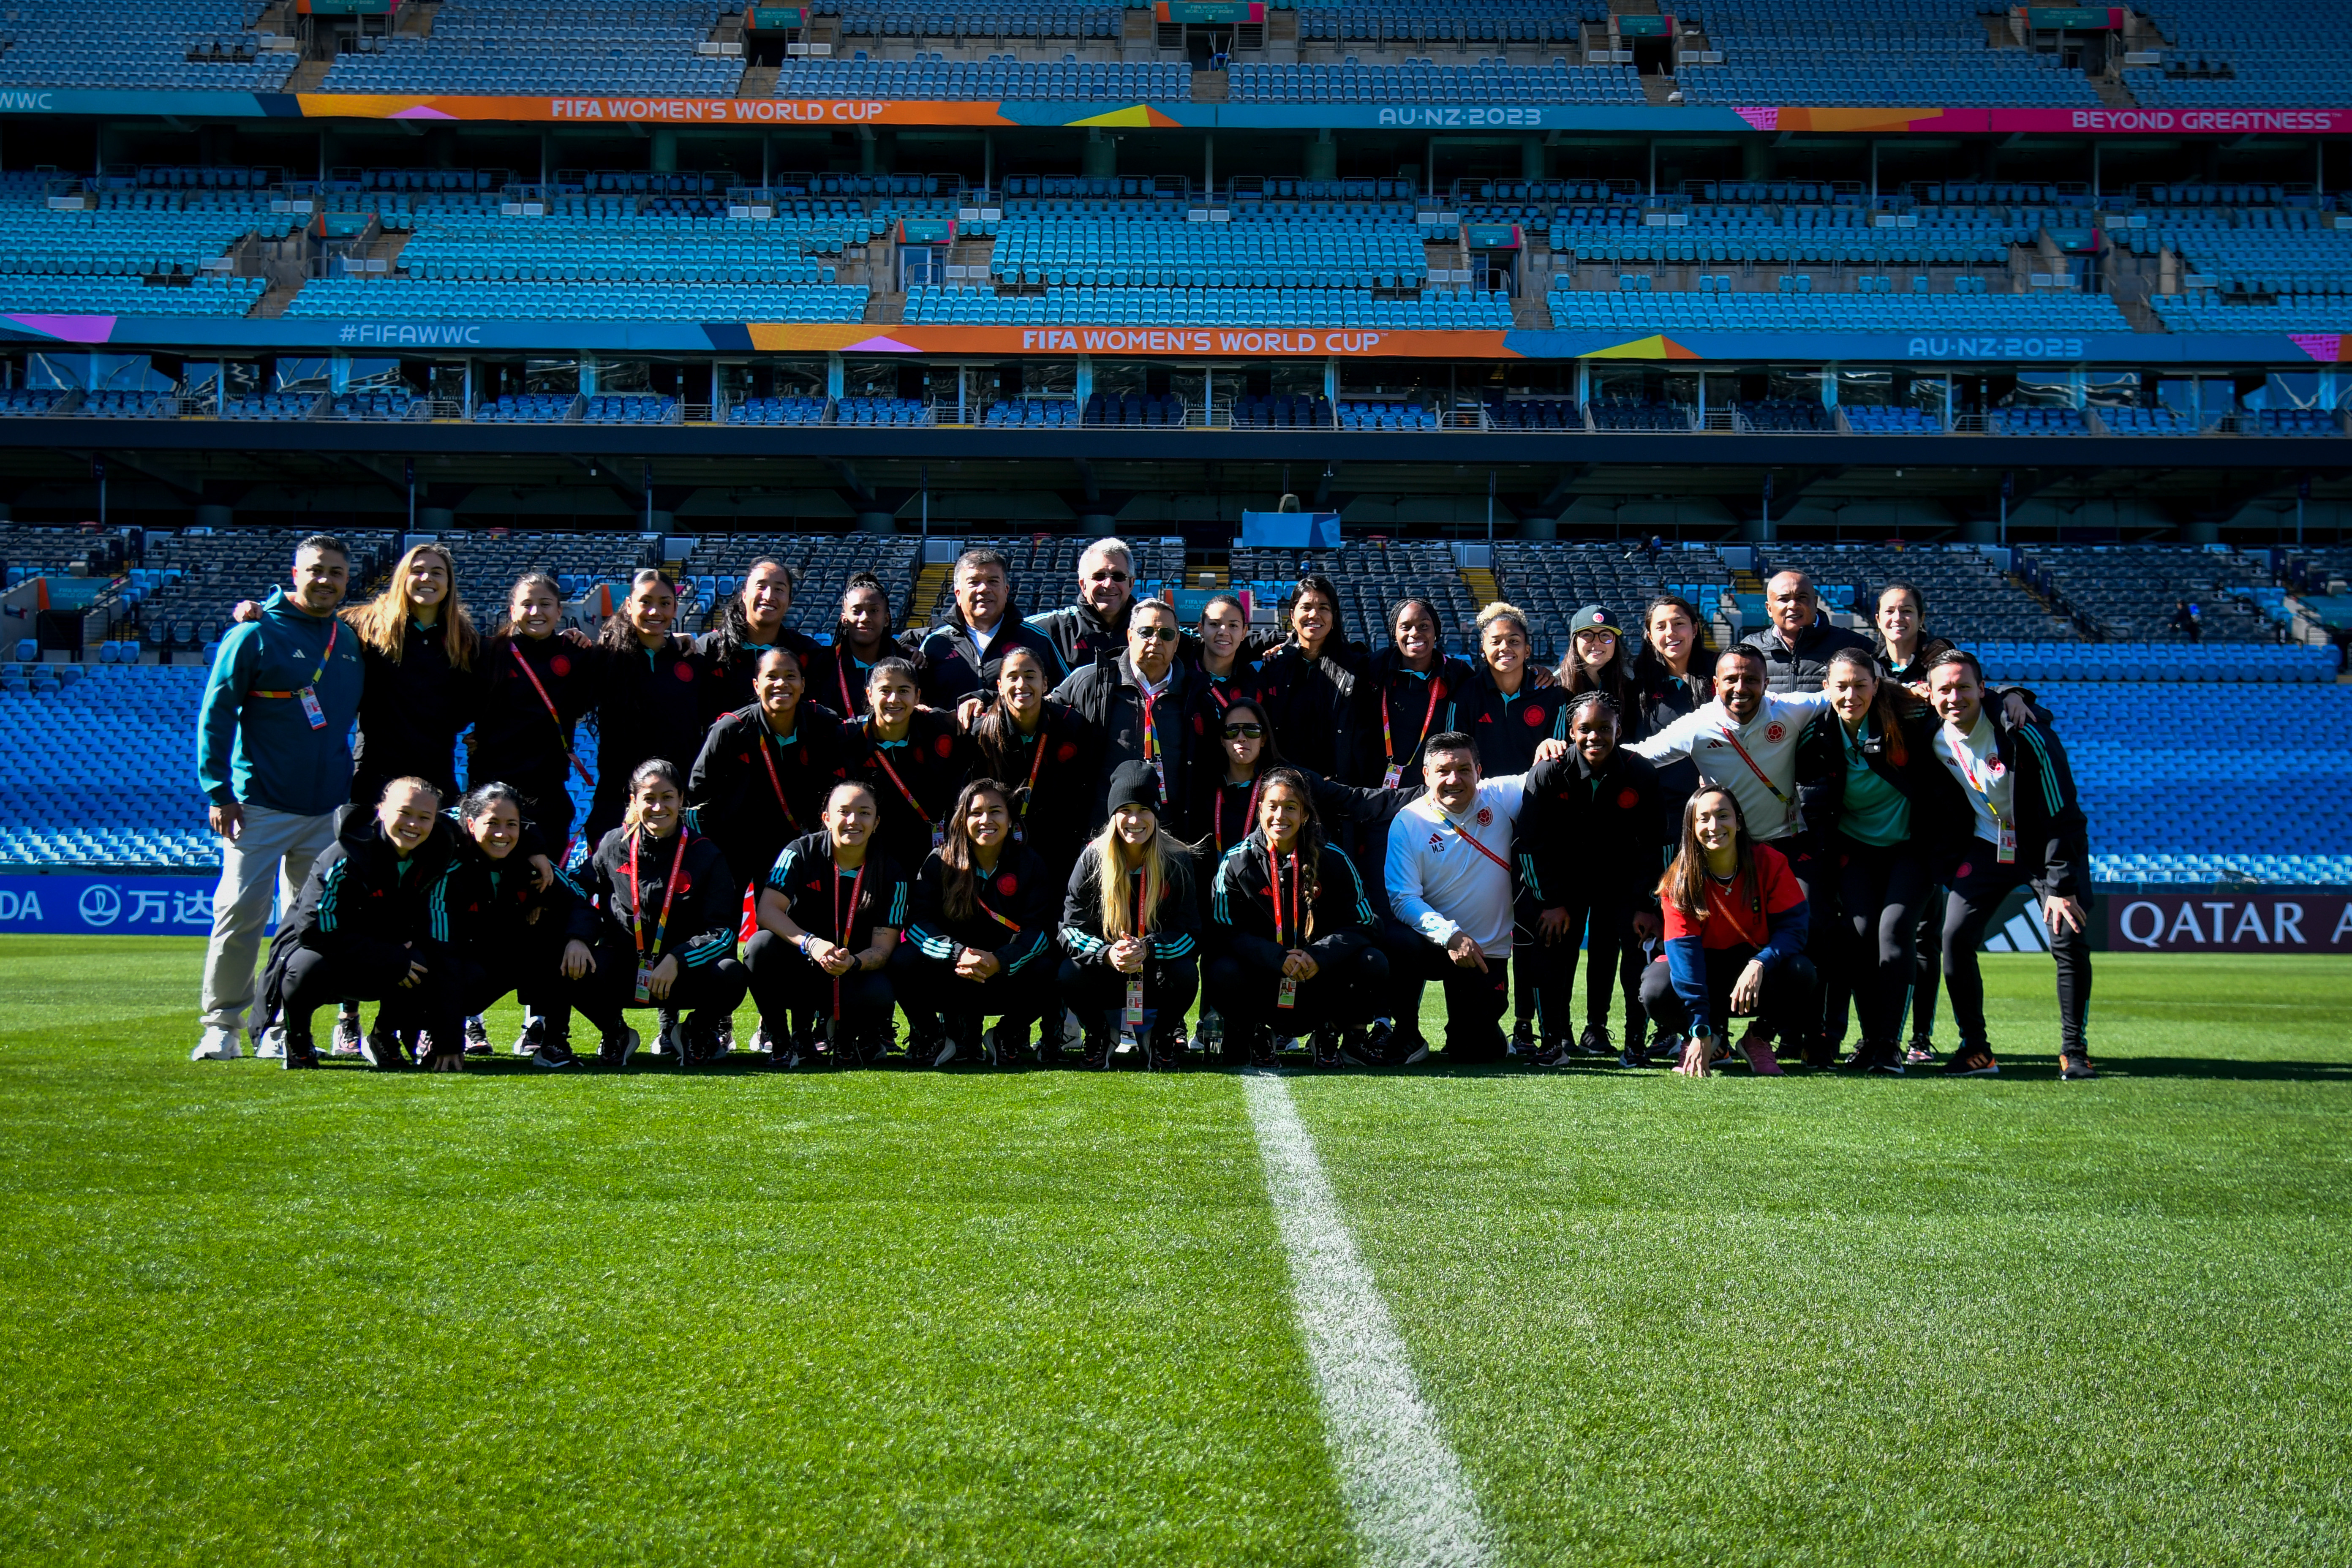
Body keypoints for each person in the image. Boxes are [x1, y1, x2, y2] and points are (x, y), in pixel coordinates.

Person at [193, 533, 367, 1062]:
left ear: (346, 581)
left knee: (306, 927)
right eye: (316, 570)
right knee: (239, 915)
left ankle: (281, 1026)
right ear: (295, 574)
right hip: (260, 805)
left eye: (336, 573)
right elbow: (216, 715)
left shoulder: (350, 639)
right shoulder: (254, 633)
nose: (325, 580)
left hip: (327, 811)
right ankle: (221, 1024)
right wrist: (219, 792)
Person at [1923, 650, 2095, 1080]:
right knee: (1955, 937)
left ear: (1984, 690)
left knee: (2068, 939)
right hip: (1988, 848)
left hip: (2046, 851)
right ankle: (1977, 1050)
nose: (1954, 697)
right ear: (1929, 695)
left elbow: (2064, 813)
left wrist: (2061, 884)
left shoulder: (2023, 731)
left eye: (1964, 687)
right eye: (1944, 689)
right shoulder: (1930, 736)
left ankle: (2074, 1051)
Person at [1794, 649, 1958, 1074]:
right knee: (1861, 934)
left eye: (1860, 685)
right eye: (1841, 686)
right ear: (1827, 688)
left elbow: (1960, 702)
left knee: (1895, 930)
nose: (1851, 694)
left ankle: (1889, 1045)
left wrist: (2013, 697)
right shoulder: (1817, 736)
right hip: (1856, 850)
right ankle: (1867, 1041)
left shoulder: (1907, 719)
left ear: (1876, 684)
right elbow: (1813, 807)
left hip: (1913, 848)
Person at [256, 777, 465, 1071]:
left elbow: (442, 942)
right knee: (304, 967)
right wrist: (388, 954)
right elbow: (312, 930)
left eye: (424, 817)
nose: (414, 825)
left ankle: (383, 1037)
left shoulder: (441, 854)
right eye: (404, 813)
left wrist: (450, 1039)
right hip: (325, 953)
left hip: (384, 952)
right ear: (382, 811)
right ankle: (298, 1041)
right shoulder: (346, 854)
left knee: (423, 961)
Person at [559, 759, 749, 1067]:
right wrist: (578, 938)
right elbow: (578, 892)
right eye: (649, 798)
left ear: (682, 800)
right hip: (625, 970)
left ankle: (693, 1032)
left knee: (731, 974)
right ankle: (615, 1032)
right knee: (569, 962)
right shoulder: (613, 845)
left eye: (667, 797)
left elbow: (723, 931)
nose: (658, 807)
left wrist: (678, 958)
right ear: (634, 801)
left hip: (680, 976)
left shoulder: (705, 853)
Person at [1518, 693, 1670, 1067]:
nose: (1595, 737)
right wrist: (1550, 901)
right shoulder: (1548, 773)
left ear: (1619, 730)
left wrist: (1647, 904)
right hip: (1563, 885)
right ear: (1570, 731)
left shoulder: (1641, 772)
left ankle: (1633, 1043)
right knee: (1554, 949)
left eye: (1605, 728)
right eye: (1585, 728)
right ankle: (1554, 1039)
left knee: (1632, 948)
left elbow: (1659, 847)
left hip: (1621, 882)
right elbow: (1529, 844)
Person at [1205, 767, 1390, 1069]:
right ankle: (1256, 1035)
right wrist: (1276, 958)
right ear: (1259, 811)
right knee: (1219, 968)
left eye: (1291, 808)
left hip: (1318, 982)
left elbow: (1366, 924)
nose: (1281, 816)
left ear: (1305, 814)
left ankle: (1331, 1031)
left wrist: (1319, 956)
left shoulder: (1334, 859)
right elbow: (1224, 932)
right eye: (1273, 807)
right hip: (1264, 982)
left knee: (1373, 962)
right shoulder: (1237, 862)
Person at [1383, 732, 1547, 1064]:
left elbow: (1558, 769)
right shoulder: (1408, 822)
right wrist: (1450, 935)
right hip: (1435, 945)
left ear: (1479, 771)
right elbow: (1403, 899)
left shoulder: (1501, 796)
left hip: (1486, 952)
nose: (1453, 779)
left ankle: (1479, 1031)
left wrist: (1557, 747)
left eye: (1463, 769)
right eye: (1443, 771)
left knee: (1475, 1051)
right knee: (1396, 941)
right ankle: (1407, 1033)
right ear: (1426, 774)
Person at [1640, 787, 1817, 1077]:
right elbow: (1685, 956)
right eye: (1704, 819)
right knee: (1656, 987)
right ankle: (1709, 1040)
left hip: (1754, 974)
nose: (1714, 827)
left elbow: (1794, 929)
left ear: (1738, 820)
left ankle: (1758, 1038)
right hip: (1704, 971)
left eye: (1723, 816)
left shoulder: (1770, 863)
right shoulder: (1678, 880)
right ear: (1691, 827)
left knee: (1802, 970)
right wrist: (1699, 1026)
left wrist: (1760, 962)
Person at [742, 781, 909, 1069]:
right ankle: (782, 1041)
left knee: (879, 991)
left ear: (877, 821)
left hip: (851, 971)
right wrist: (811, 943)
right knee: (760, 947)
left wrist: (853, 962)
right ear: (827, 819)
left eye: (864, 813)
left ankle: (853, 1037)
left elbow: (883, 949)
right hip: (802, 964)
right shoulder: (799, 852)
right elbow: (767, 911)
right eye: (843, 811)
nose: (853, 821)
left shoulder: (892, 871)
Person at [896, 779, 1060, 1066]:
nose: (986, 820)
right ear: (963, 819)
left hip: (1004, 978)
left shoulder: (1030, 863)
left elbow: (1042, 930)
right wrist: (957, 954)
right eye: (976, 813)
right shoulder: (939, 862)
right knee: (902, 959)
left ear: (1010, 819)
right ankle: (935, 1037)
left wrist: (1000, 960)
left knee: (1051, 965)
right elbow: (917, 924)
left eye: (996, 811)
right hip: (952, 975)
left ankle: (1006, 1035)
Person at [1057, 761, 1201, 1070]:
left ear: (1156, 814)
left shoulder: (1177, 859)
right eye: (1125, 810)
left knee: (1186, 973)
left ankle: (1161, 1036)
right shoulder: (1093, 857)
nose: (1135, 820)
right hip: (1107, 973)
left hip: (1154, 974)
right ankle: (1098, 1034)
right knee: (1069, 973)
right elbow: (1069, 929)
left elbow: (1190, 932)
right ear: (1113, 815)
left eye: (1144, 809)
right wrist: (1108, 954)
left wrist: (1148, 948)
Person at [688, 644, 853, 905]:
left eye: (790, 676)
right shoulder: (730, 730)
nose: (781, 684)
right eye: (772, 676)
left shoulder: (823, 724)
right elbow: (698, 790)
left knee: (786, 928)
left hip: (794, 844)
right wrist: (712, 843)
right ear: (756, 685)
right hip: (736, 846)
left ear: (802, 684)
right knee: (722, 921)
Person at [440, 780, 584, 1068]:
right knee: (432, 963)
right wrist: (448, 1036)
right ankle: (422, 1033)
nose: (502, 834)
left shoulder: (531, 863)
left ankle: (554, 1043)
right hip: (455, 964)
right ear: (470, 824)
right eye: (492, 823)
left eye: (512, 825)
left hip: (502, 961)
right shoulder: (449, 862)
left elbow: (578, 901)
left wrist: (577, 939)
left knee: (559, 941)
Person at [1051, 596, 1196, 838]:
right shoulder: (1092, 681)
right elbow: (1037, 711)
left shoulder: (1194, 693)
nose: (1156, 641)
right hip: (1104, 831)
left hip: (1169, 834)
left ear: (1177, 640)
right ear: (1130, 636)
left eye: (1167, 635)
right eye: (1146, 632)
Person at [583, 569, 706, 850]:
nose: (655, 611)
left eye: (664, 603)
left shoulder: (694, 661)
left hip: (678, 802)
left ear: (676, 607)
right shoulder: (604, 660)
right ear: (629, 605)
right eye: (645, 602)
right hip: (617, 800)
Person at [968, 643, 1098, 887]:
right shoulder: (980, 734)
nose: (1021, 685)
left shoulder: (1072, 726)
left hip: (1059, 845)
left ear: (1045, 684)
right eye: (1012, 677)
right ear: (999, 687)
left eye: (1030, 677)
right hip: (999, 845)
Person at [845, 656, 968, 879]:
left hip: (935, 852)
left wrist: (977, 699)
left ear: (917, 696)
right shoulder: (848, 739)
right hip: (874, 857)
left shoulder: (943, 727)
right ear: (869, 695)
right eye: (885, 690)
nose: (894, 699)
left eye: (904, 690)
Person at [1347, 596, 1471, 791]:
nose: (1415, 633)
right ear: (1394, 634)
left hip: (1430, 792)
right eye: (1405, 627)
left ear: (1436, 632)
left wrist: (1533, 674)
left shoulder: (1458, 674)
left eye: (1424, 626)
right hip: (1374, 791)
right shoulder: (1374, 666)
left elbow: (1496, 683)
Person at [915, 546, 1061, 708]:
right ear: (958, 594)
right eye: (974, 582)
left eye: (993, 581)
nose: (984, 589)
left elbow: (1063, 694)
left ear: (1006, 591)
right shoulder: (935, 644)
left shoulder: (1037, 639)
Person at [1253, 573, 1365, 781]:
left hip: (1338, 790)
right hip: (1283, 785)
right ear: (1292, 615)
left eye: (1324, 608)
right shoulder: (1273, 666)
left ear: (1334, 616)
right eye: (1306, 607)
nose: (1315, 615)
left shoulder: (1358, 669)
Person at [695, 558, 823, 724]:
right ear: (744, 595)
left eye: (779, 589)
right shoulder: (708, 649)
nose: (769, 596)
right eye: (761, 587)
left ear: (790, 601)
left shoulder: (808, 652)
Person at [1454, 601, 1570, 777]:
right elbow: (1454, 751)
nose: (1504, 647)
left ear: (1527, 651)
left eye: (1514, 641)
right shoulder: (1465, 695)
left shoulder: (1551, 694)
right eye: (1496, 642)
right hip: (1481, 794)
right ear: (1483, 652)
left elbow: (1557, 754)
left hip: (1534, 793)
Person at [1739, 570, 1873, 694]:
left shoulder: (1854, 645)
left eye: (1801, 597)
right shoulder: (1751, 649)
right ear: (1769, 609)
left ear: (1815, 603)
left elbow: (1890, 676)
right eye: (1783, 599)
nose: (1793, 605)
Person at [1023, 534, 1138, 674]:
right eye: (1099, 577)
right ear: (1083, 585)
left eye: (1118, 577)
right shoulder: (1049, 629)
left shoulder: (1152, 630)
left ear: (1131, 583)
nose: (1109, 584)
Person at [806, 570, 906, 721]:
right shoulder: (823, 665)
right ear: (844, 620)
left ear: (886, 619)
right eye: (856, 611)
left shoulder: (907, 663)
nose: (865, 618)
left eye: (874, 611)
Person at [1555, 604, 1643, 740]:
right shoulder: (1555, 688)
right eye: (1587, 635)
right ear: (1575, 641)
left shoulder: (1630, 690)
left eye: (1606, 635)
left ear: (1615, 642)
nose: (1597, 642)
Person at [1181, 590, 1261, 739]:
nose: (1223, 631)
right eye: (1214, 624)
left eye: (1233, 626)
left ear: (1244, 633)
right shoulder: (1179, 675)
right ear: (1201, 629)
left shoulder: (1256, 682)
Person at [1872, 581, 1954, 691]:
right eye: (1889, 611)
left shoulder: (1941, 663)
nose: (1897, 618)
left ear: (1921, 619)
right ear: (1878, 620)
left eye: (1906, 611)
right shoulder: (1869, 668)